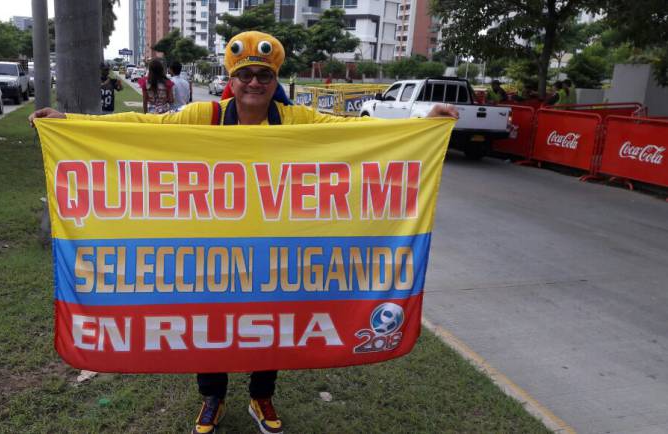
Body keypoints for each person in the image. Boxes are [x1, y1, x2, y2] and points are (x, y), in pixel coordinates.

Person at [29, 30, 457, 434]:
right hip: (211, 242)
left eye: (264, 75)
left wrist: (422, 122)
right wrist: (71, 122)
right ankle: (212, 398)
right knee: (208, 317)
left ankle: (261, 396)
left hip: (274, 243)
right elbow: (143, 127)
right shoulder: (206, 115)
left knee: (273, 317)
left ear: (275, 81)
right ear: (231, 80)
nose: (254, 82)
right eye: (245, 74)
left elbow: (353, 130)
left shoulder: (293, 119)